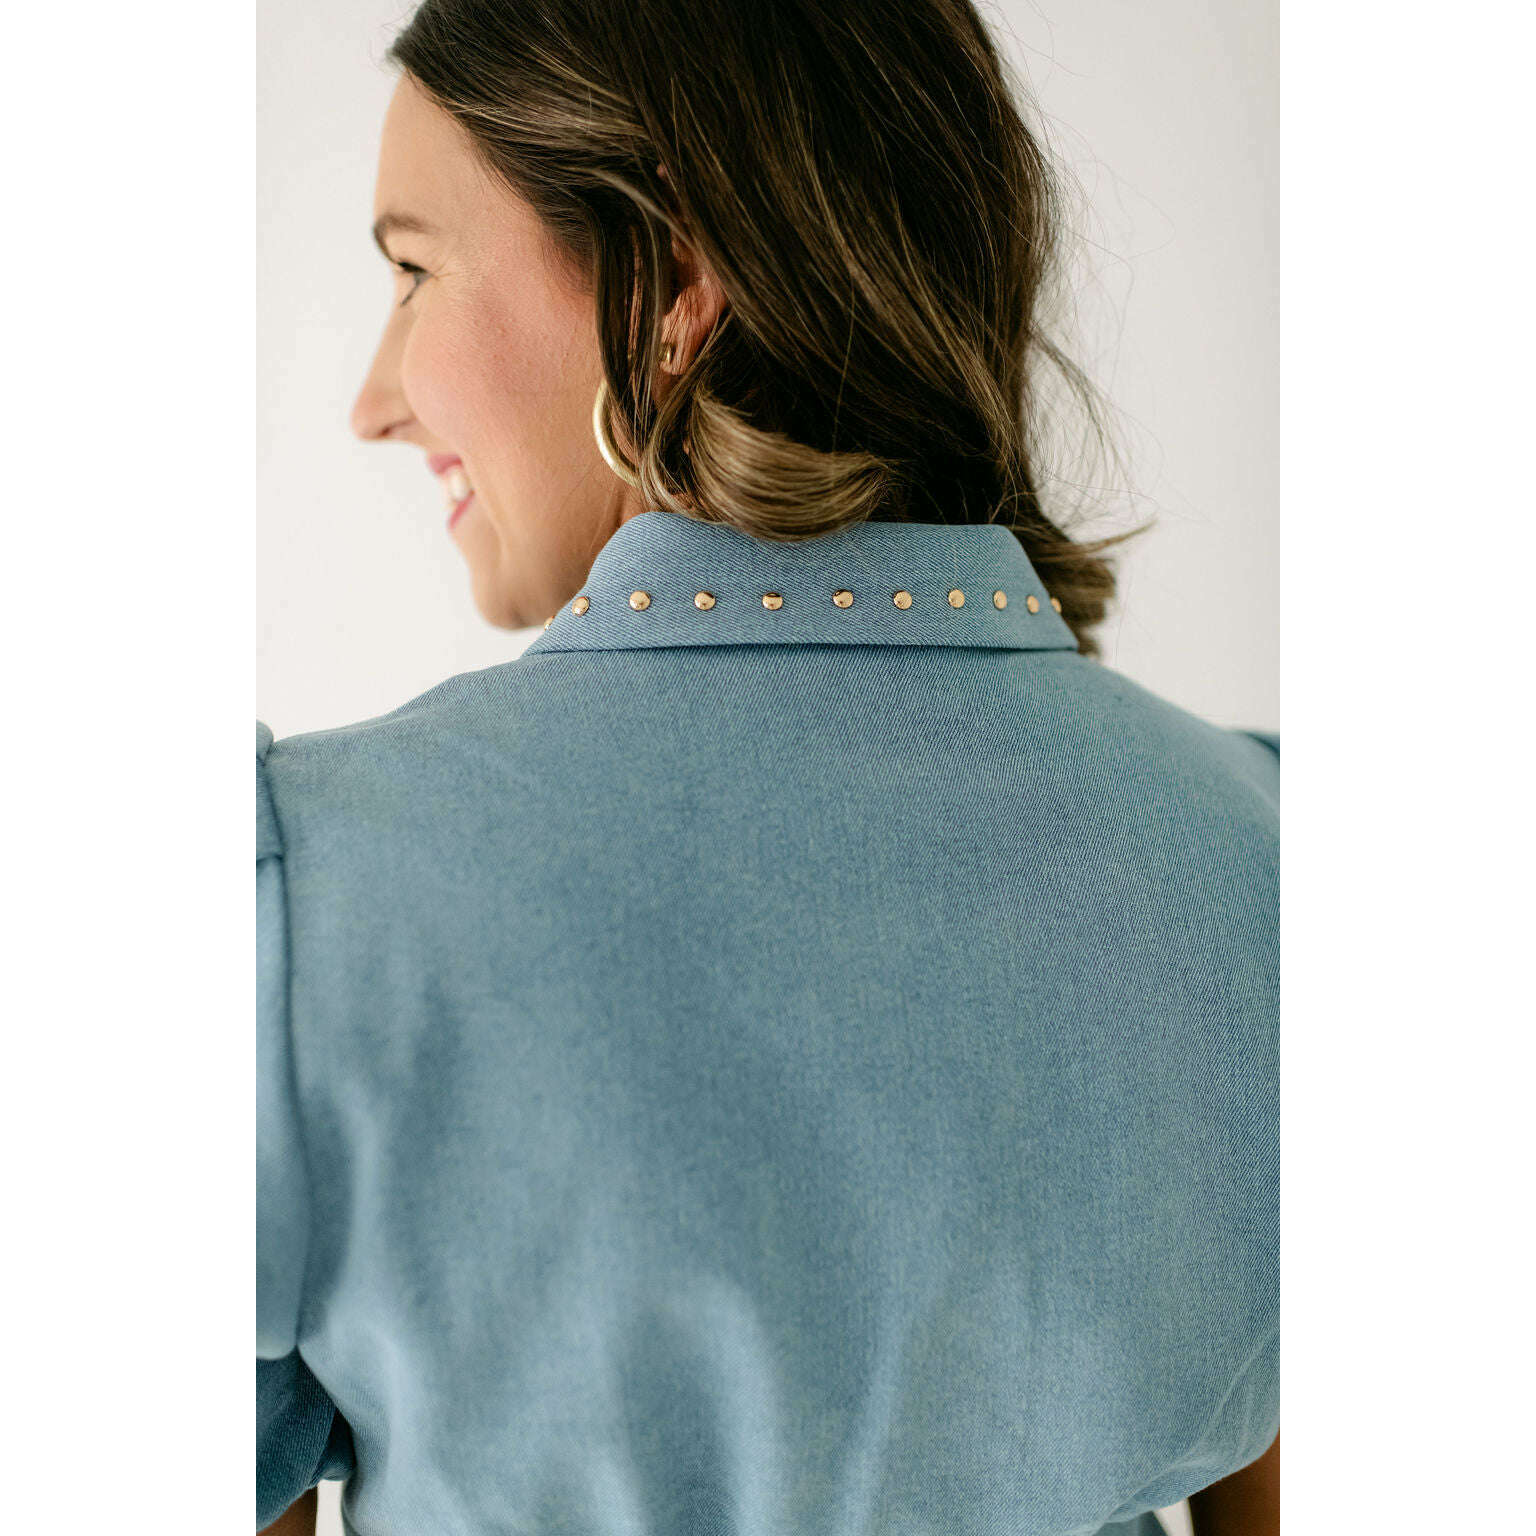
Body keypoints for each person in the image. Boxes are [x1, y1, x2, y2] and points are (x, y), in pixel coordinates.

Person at [257, 2, 1279, 1532]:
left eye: (413, 272)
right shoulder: (1274, 864)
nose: (373, 397)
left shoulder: (298, 912)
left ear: (669, 279)